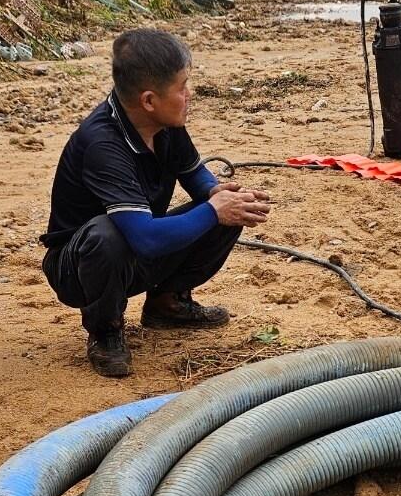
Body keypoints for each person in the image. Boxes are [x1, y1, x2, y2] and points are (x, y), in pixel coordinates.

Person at [41, 28, 270, 377]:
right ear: (149, 100)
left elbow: (194, 175)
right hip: (81, 267)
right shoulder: (103, 144)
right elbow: (145, 238)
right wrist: (213, 210)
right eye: (182, 87)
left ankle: (167, 304)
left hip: (136, 250)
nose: (189, 95)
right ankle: (105, 330)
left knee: (227, 207)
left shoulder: (165, 124)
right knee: (109, 233)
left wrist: (216, 194)